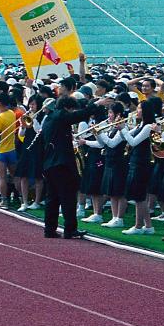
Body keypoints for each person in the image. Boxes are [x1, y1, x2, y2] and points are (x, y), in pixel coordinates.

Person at [39, 80, 94, 238]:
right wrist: (95, 105)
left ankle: (49, 229)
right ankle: (70, 229)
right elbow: (79, 115)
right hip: (61, 164)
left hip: (50, 164)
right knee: (68, 198)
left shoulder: (49, 118)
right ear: (68, 108)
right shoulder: (61, 116)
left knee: (52, 199)